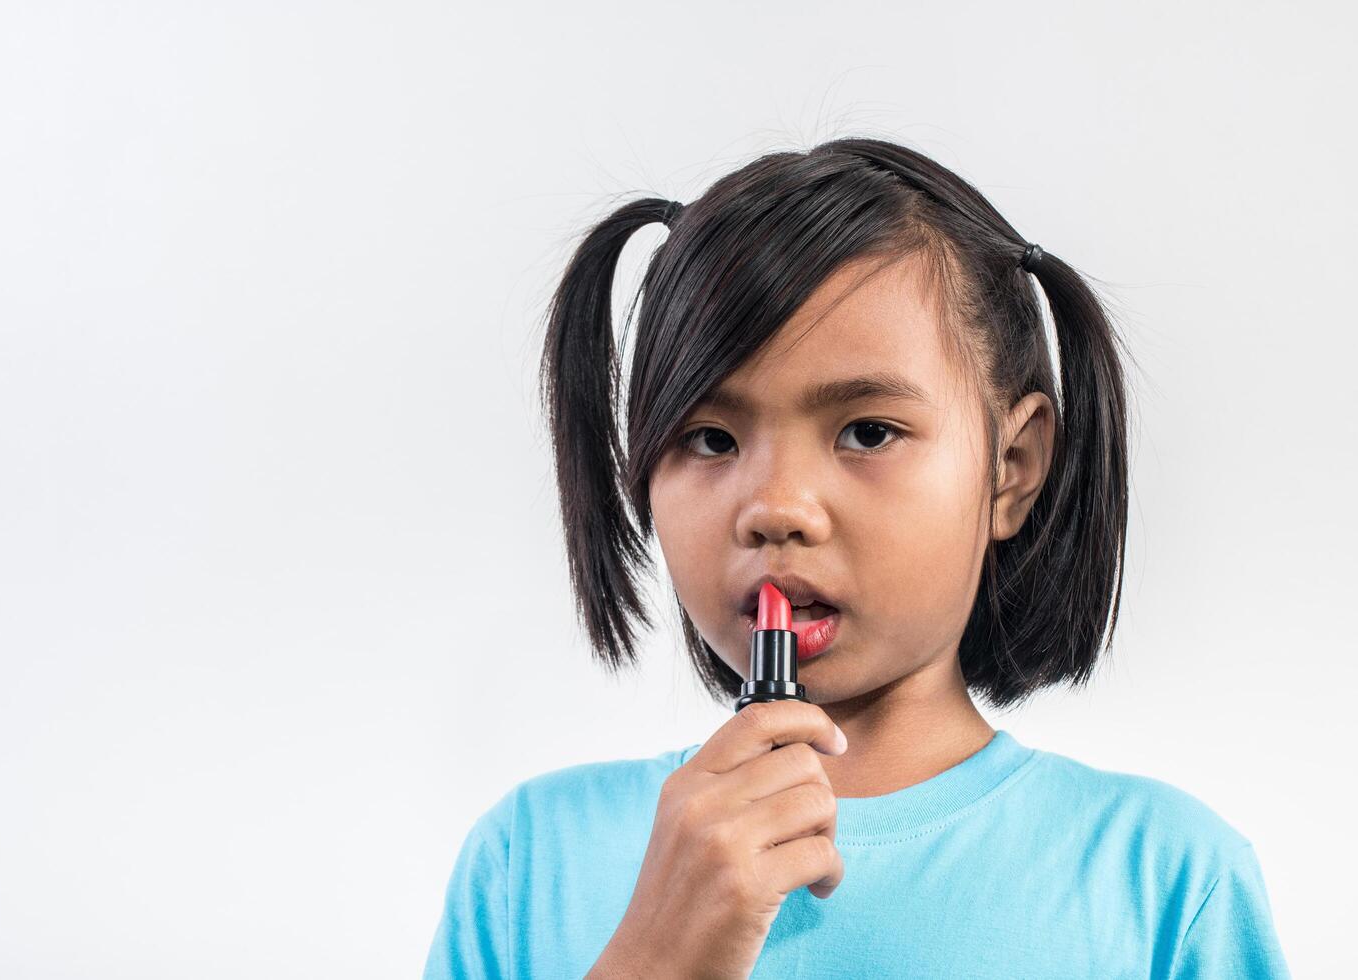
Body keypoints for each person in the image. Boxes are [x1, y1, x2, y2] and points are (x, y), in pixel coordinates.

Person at [422, 137, 1290, 978]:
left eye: (867, 432)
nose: (774, 508)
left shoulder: (1166, 884)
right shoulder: (527, 862)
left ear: (1011, 469)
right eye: (709, 438)